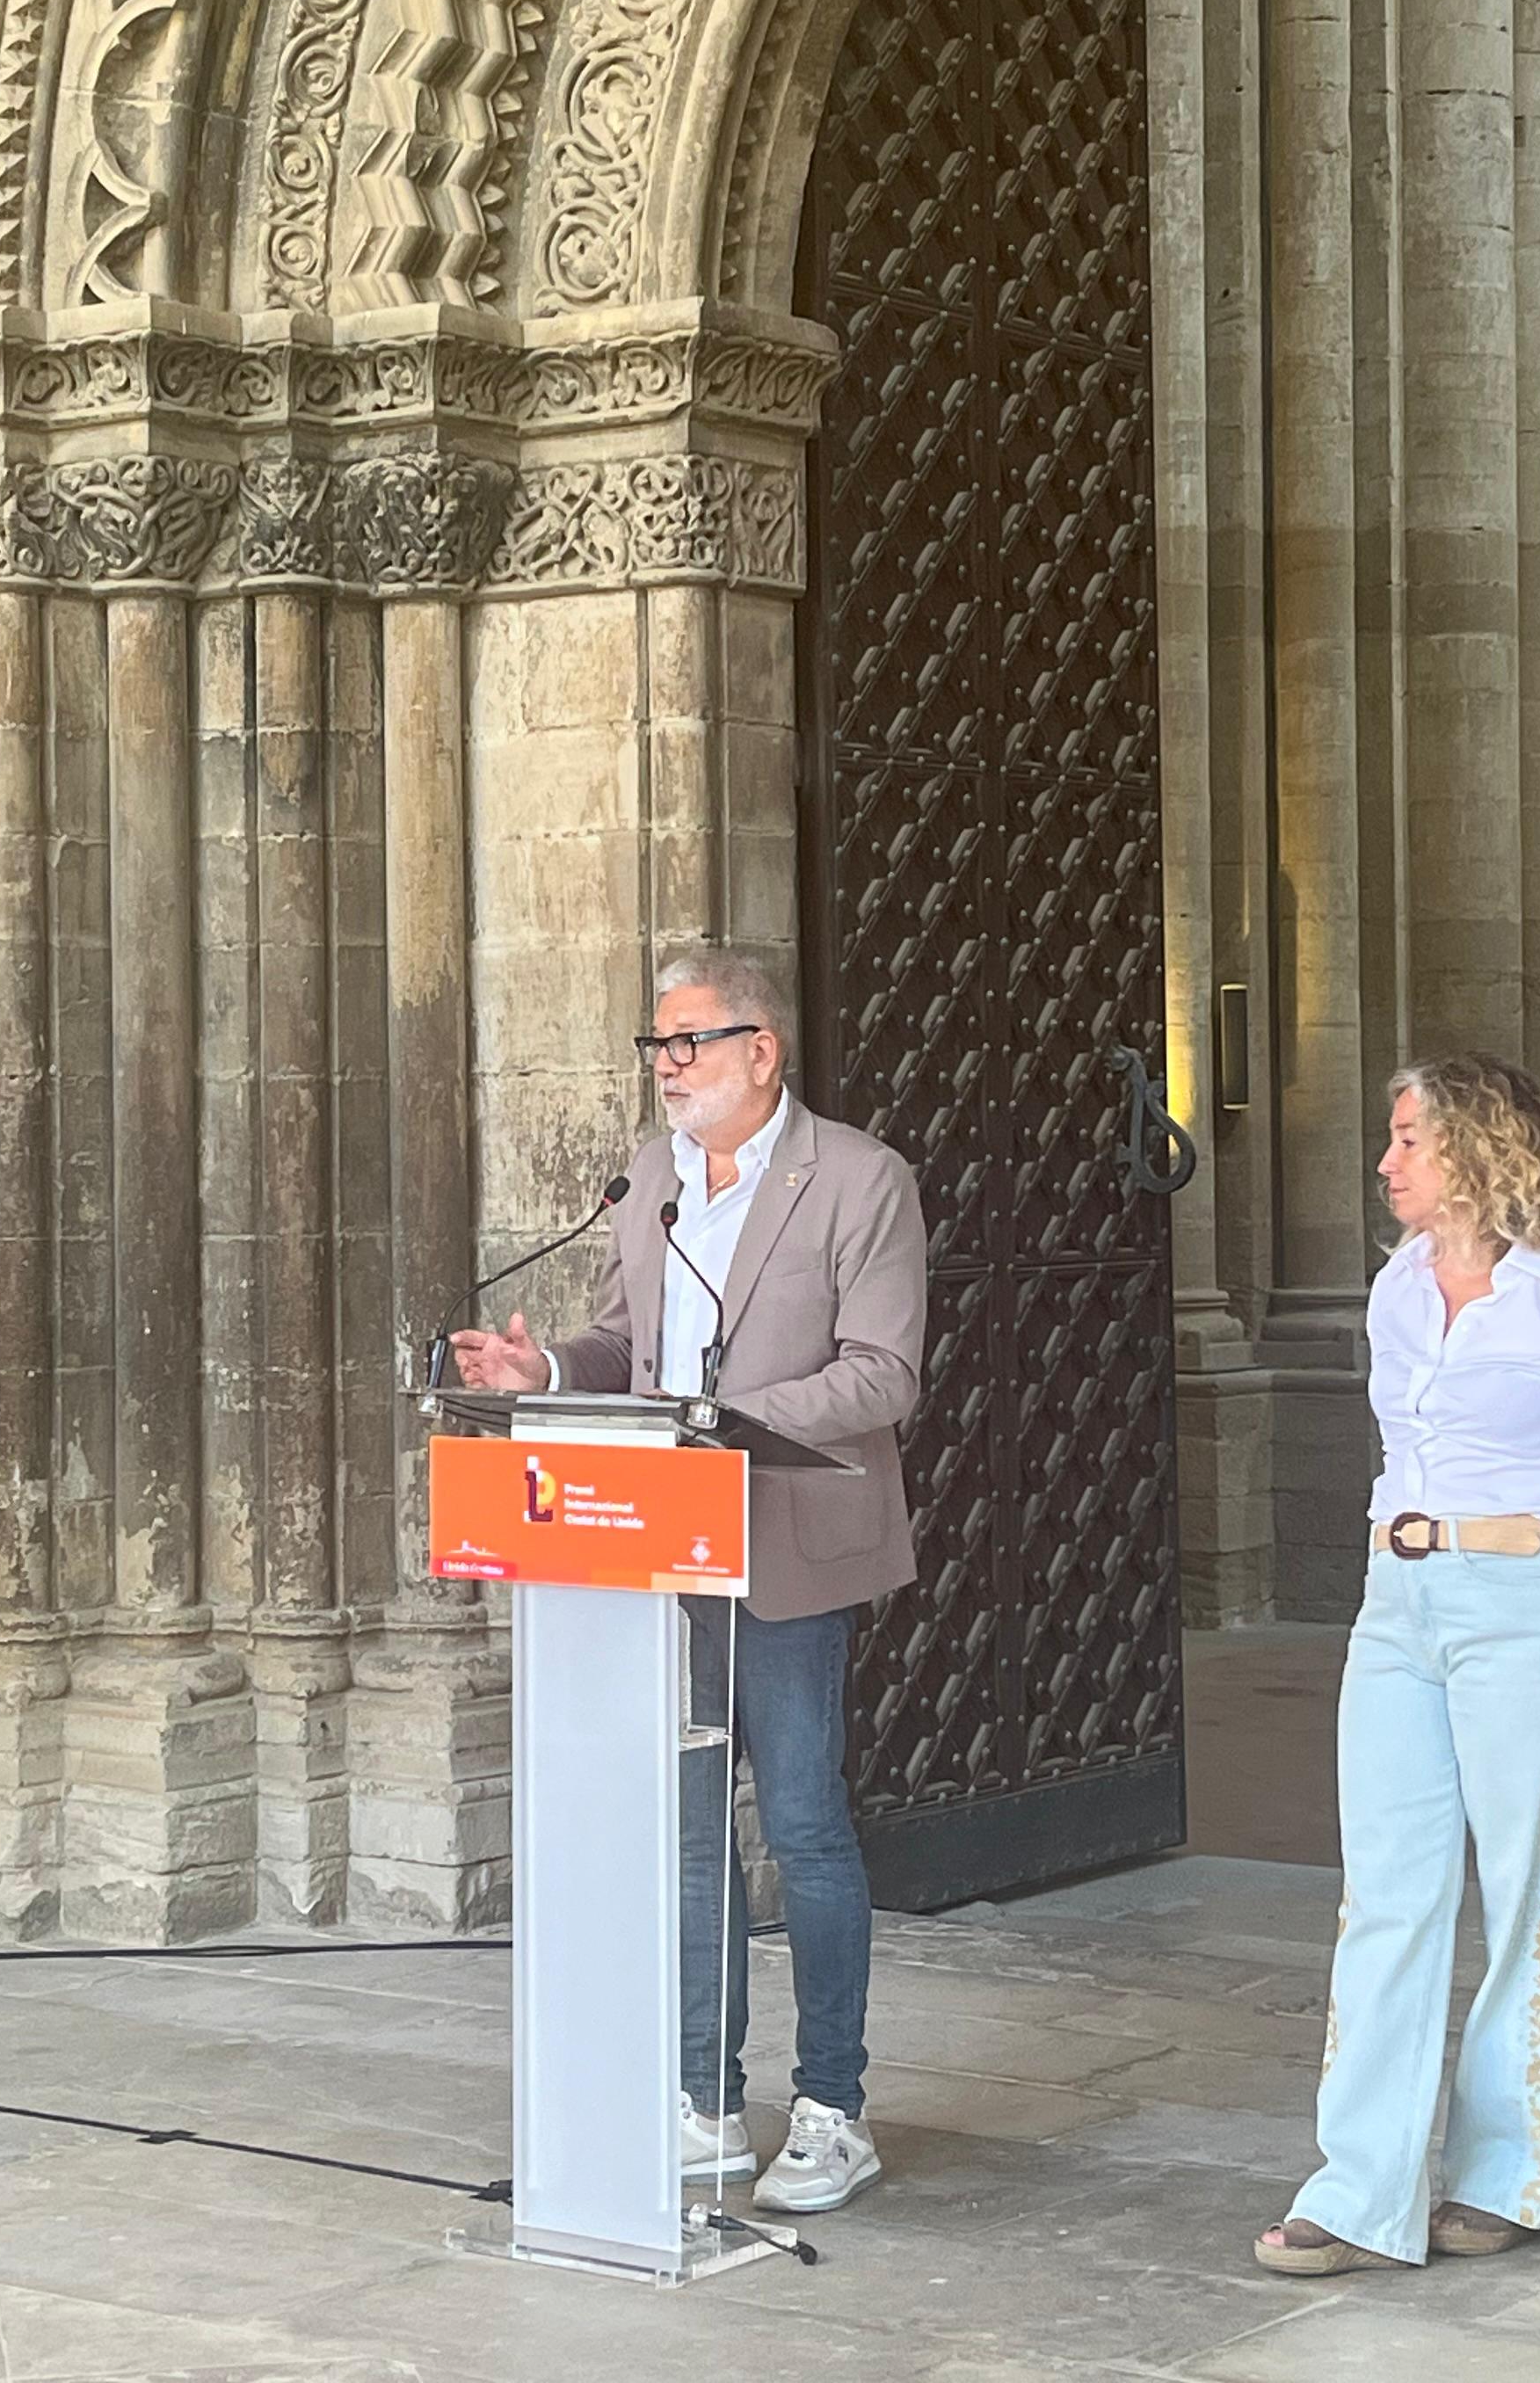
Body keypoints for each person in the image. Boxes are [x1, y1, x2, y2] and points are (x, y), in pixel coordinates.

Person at [447, 949, 926, 2215]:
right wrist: (545, 1373)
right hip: (663, 1544)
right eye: (656, 1045)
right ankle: (705, 2099)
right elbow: (629, 1344)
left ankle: (832, 2109)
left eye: (690, 1042)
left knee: (804, 1824)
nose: (667, 1066)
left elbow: (883, 1372)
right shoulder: (649, 1180)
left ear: (761, 1050)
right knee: (689, 1828)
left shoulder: (860, 1177)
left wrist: (723, 1421)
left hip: (792, 1543)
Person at [1257, 1053, 1540, 2278]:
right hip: (1398, 1602)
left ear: (1479, 1150)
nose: (1385, 1162)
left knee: (1531, 1895)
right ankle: (1362, 2191)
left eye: (1408, 1139)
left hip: (1535, 1598)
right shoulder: (1396, 1288)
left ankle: (1502, 2179)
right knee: (1384, 1893)